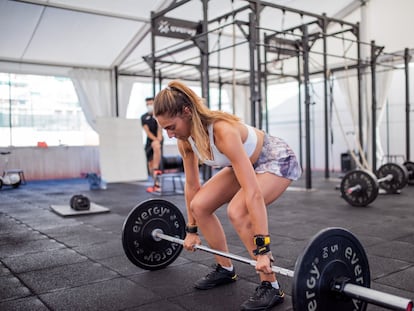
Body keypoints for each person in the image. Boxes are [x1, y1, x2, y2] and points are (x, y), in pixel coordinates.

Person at [153, 80, 301, 311]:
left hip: (275, 159)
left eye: (172, 127)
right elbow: (192, 185)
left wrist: (263, 250)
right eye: (165, 129)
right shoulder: (185, 141)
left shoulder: (222, 131)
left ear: (187, 112)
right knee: (200, 205)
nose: (170, 135)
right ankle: (225, 268)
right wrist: (191, 230)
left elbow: (252, 194)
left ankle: (271, 286)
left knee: (238, 210)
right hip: (243, 163)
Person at [141, 97, 163, 192]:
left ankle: (156, 168)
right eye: (148, 104)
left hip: (157, 140)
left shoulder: (158, 116)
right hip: (149, 141)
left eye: (151, 104)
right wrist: (155, 139)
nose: (149, 106)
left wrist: (158, 139)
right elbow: (147, 132)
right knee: (149, 163)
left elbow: (160, 130)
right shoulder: (143, 117)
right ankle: (155, 183)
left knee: (156, 146)